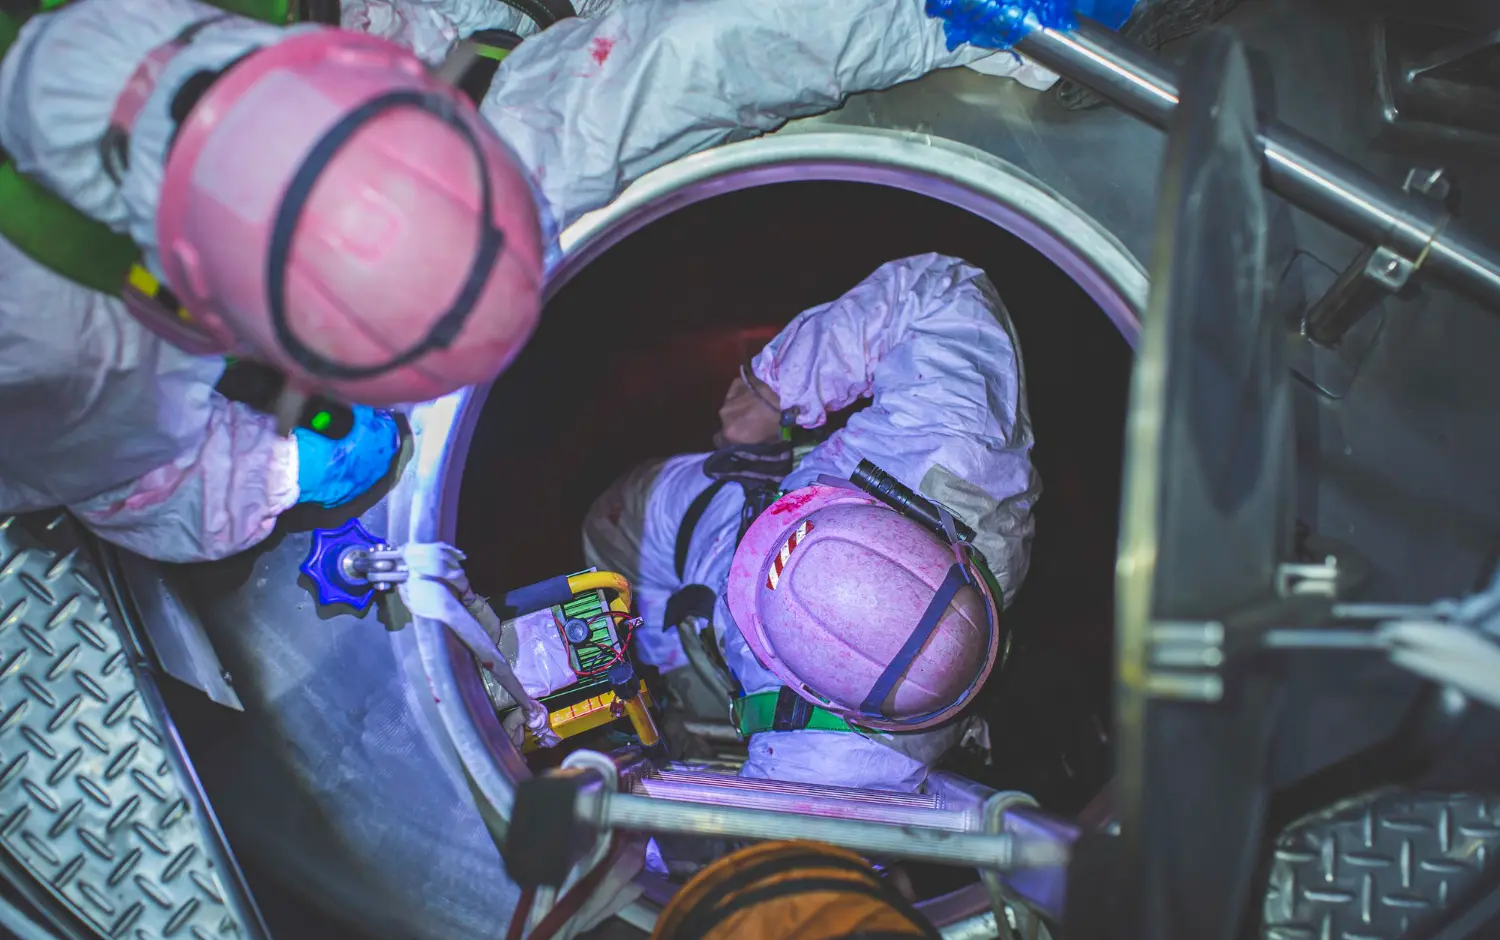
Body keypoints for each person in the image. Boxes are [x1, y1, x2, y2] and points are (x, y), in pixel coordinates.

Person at [0, 0, 1052, 562]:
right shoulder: (71, 353)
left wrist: (943, 12)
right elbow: (136, 477)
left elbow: (683, 61)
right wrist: (273, 474)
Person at [582, 252, 1039, 793]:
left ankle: (685, 672)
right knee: (614, 518)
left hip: (711, 578)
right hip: (753, 499)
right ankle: (678, 659)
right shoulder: (959, 462)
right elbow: (941, 291)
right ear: (891, 515)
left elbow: (760, 864)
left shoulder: (831, 771)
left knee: (617, 540)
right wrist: (778, 389)